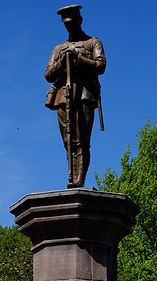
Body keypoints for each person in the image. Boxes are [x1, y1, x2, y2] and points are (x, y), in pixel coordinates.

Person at [45, 4, 106, 188]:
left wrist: (79, 59)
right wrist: (63, 61)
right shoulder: (59, 48)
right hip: (63, 97)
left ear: (80, 20)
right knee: (68, 141)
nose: (69, 27)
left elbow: (101, 66)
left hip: (85, 95)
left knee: (82, 140)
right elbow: (48, 74)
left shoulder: (92, 42)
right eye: (66, 24)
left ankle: (80, 180)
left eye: (72, 23)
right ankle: (71, 176)